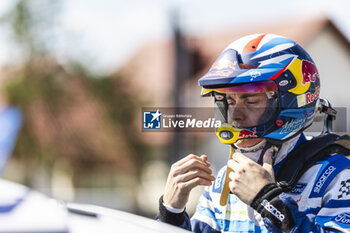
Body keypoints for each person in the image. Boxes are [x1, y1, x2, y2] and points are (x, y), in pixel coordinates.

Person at [157, 34, 350, 232]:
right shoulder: (224, 180)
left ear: (292, 101)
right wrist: (171, 213)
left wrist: (269, 203)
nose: (234, 117)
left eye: (251, 101)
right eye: (230, 102)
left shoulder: (337, 175)